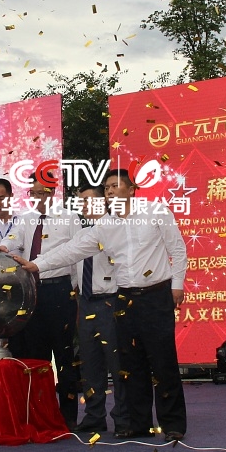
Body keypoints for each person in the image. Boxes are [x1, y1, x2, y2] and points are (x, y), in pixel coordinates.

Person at [14, 169, 188, 442]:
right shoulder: (104, 226)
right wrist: (37, 265)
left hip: (156, 294)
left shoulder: (155, 211)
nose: (110, 191)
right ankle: (138, 423)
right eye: (107, 187)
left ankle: (173, 424)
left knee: (162, 361)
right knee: (131, 363)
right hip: (124, 298)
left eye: (115, 186)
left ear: (131, 189)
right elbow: (72, 250)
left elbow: (177, 249)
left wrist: (177, 284)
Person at [9, 179, 80, 428]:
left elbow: (78, 254)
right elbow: (12, 240)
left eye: (43, 192)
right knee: (36, 356)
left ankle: (69, 416)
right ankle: (42, 414)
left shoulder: (69, 217)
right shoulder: (25, 219)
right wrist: (2, 247)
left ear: (53, 192)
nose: (38, 197)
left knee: (64, 354)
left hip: (60, 290)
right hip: (33, 292)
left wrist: (74, 290)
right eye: (34, 192)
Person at [72, 186, 129, 436]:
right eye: (80, 202)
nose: (83, 205)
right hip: (85, 302)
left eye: (87, 200)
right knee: (90, 363)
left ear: (103, 202)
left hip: (110, 301)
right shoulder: (81, 235)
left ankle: (124, 418)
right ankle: (94, 416)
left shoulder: (117, 228)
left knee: (117, 363)